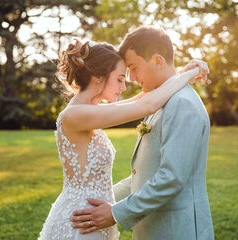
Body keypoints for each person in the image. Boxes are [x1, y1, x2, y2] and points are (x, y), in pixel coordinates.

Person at [38, 36, 204, 240]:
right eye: (119, 79)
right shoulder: (74, 115)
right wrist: (189, 75)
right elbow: (146, 105)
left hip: (95, 213)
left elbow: (141, 99)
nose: (124, 87)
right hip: (81, 218)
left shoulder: (90, 110)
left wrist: (180, 73)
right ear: (99, 76)